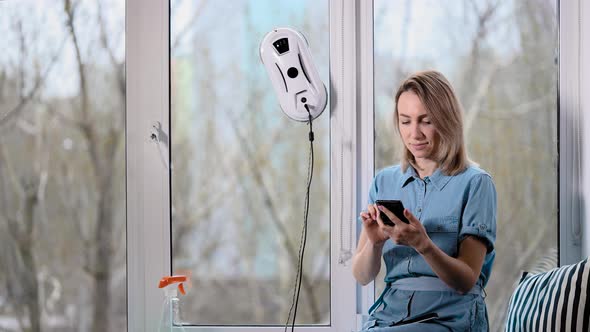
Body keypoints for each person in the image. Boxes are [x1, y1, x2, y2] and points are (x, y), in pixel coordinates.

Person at [353, 70, 497, 331]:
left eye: (425, 121)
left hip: (449, 317)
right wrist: (374, 244)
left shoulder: (476, 183)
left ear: (446, 120)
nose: (414, 134)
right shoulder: (383, 182)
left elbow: (466, 280)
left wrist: (423, 244)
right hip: (390, 315)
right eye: (405, 121)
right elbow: (362, 275)